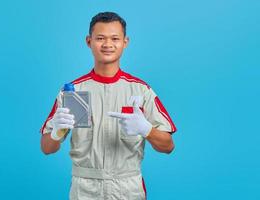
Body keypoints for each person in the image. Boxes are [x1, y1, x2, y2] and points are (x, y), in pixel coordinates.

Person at [40, 11, 177, 200]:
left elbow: (168, 146)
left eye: (115, 38)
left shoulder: (141, 90)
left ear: (125, 42)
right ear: (89, 41)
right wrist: (56, 132)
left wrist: (147, 130)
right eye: (100, 38)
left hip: (127, 188)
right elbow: (47, 148)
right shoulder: (73, 92)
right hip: (85, 189)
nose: (107, 44)